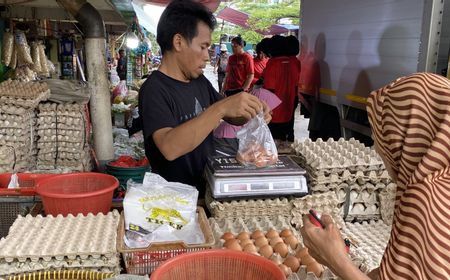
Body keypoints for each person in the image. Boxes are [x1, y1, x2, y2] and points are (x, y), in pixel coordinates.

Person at [300, 73, 450, 280]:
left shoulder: (426, 198)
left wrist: (336, 261)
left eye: (382, 133)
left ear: (407, 138)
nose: (376, 145)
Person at [139, 0, 271, 195]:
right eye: (203, 47)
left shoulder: (199, 81)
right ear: (178, 42)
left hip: (206, 190)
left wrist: (252, 110)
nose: (207, 57)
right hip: (173, 200)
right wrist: (221, 108)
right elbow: (169, 147)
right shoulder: (154, 90)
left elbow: (231, 114)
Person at [262, 35, 300, 142]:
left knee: (273, 140)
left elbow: (269, 89)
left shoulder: (273, 63)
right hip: (288, 106)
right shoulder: (292, 62)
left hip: (274, 110)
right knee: (284, 136)